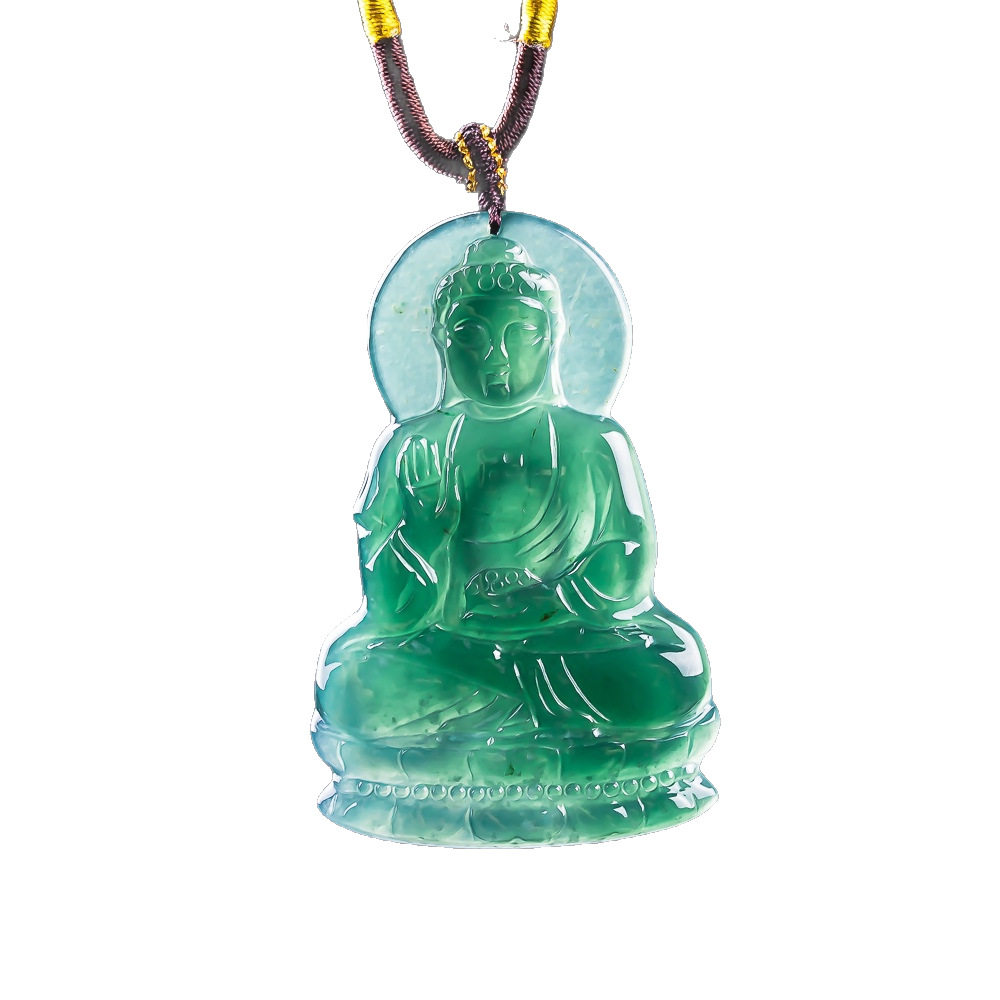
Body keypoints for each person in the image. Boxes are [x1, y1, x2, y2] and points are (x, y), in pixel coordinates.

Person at [313, 237, 718, 843]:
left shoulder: (594, 441)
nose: (495, 358)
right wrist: (424, 529)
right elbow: (390, 611)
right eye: (470, 337)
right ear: (441, 344)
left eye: (519, 335)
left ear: (551, 339)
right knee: (351, 675)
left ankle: (473, 734)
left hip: (571, 639)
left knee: (672, 666)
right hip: (448, 643)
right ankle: (566, 751)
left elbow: (627, 563)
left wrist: (546, 597)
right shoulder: (414, 446)